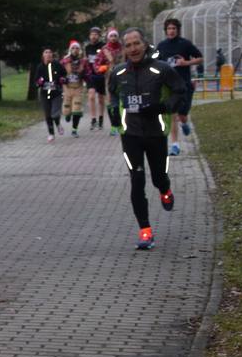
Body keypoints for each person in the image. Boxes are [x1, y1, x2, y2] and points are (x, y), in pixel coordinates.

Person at [107, 28, 185, 250]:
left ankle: (165, 190)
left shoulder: (161, 70)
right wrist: (113, 111)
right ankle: (145, 231)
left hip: (156, 133)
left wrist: (162, 107)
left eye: (136, 44)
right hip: (130, 135)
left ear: (144, 44)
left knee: (158, 177)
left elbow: (180, 91)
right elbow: (112, 94)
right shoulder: (119, 72)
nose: (133, 49)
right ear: (124, 49)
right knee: (137, 180)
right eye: (128, 45)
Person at [154, 17, 203, 155]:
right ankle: (175, 145)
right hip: (169, 86)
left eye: (173, 28)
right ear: (165, 31)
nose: (171, 31)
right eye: (169, 28)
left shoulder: (185, 44)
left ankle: (185, 123)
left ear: (178, 30)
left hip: (184, 84)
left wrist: (186, 63)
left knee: (182, 115)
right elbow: (155, 63)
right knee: (173, 115)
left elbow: (200, 58)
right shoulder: (162, 45)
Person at [32, 48, 64, 142]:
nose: (48, 54)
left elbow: (64, 75)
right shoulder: (40, 67)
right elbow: (36, 81)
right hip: (45, 94)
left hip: (56, 93)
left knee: (54, 114)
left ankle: (58, 124)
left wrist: (62, 79)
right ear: (43, 55)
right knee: (47, 114)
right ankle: (51, 134)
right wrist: (39, 82)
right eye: (46, 52)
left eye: (50, 52)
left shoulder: (57, 65)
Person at [60, 41, 90, 136]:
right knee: (66, 109)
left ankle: (74, 129)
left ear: (79, 50)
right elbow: (58, 72)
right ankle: (67, 115)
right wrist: (61, 79)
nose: (75, 50)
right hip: (67, 88)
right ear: (70, 50)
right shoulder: (65, 61)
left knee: (77, 109)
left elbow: (88, 73)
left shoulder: (83, 61)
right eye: (73, 48)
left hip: (78, 87)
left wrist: (86, 77)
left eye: (77, 48)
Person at [83, 27, 106, 130]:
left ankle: (101, 118)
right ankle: (93, 119)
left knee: (101, 98)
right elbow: (85, 60)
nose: (94, 36)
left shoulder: (103, 46)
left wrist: (104, 68)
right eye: (92, 34)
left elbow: (106, 59)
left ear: (99, 36)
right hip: (90, 75)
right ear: (89, 36)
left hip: (100, 75)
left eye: (96, 34)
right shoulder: (87, 47)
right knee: (91, 96)